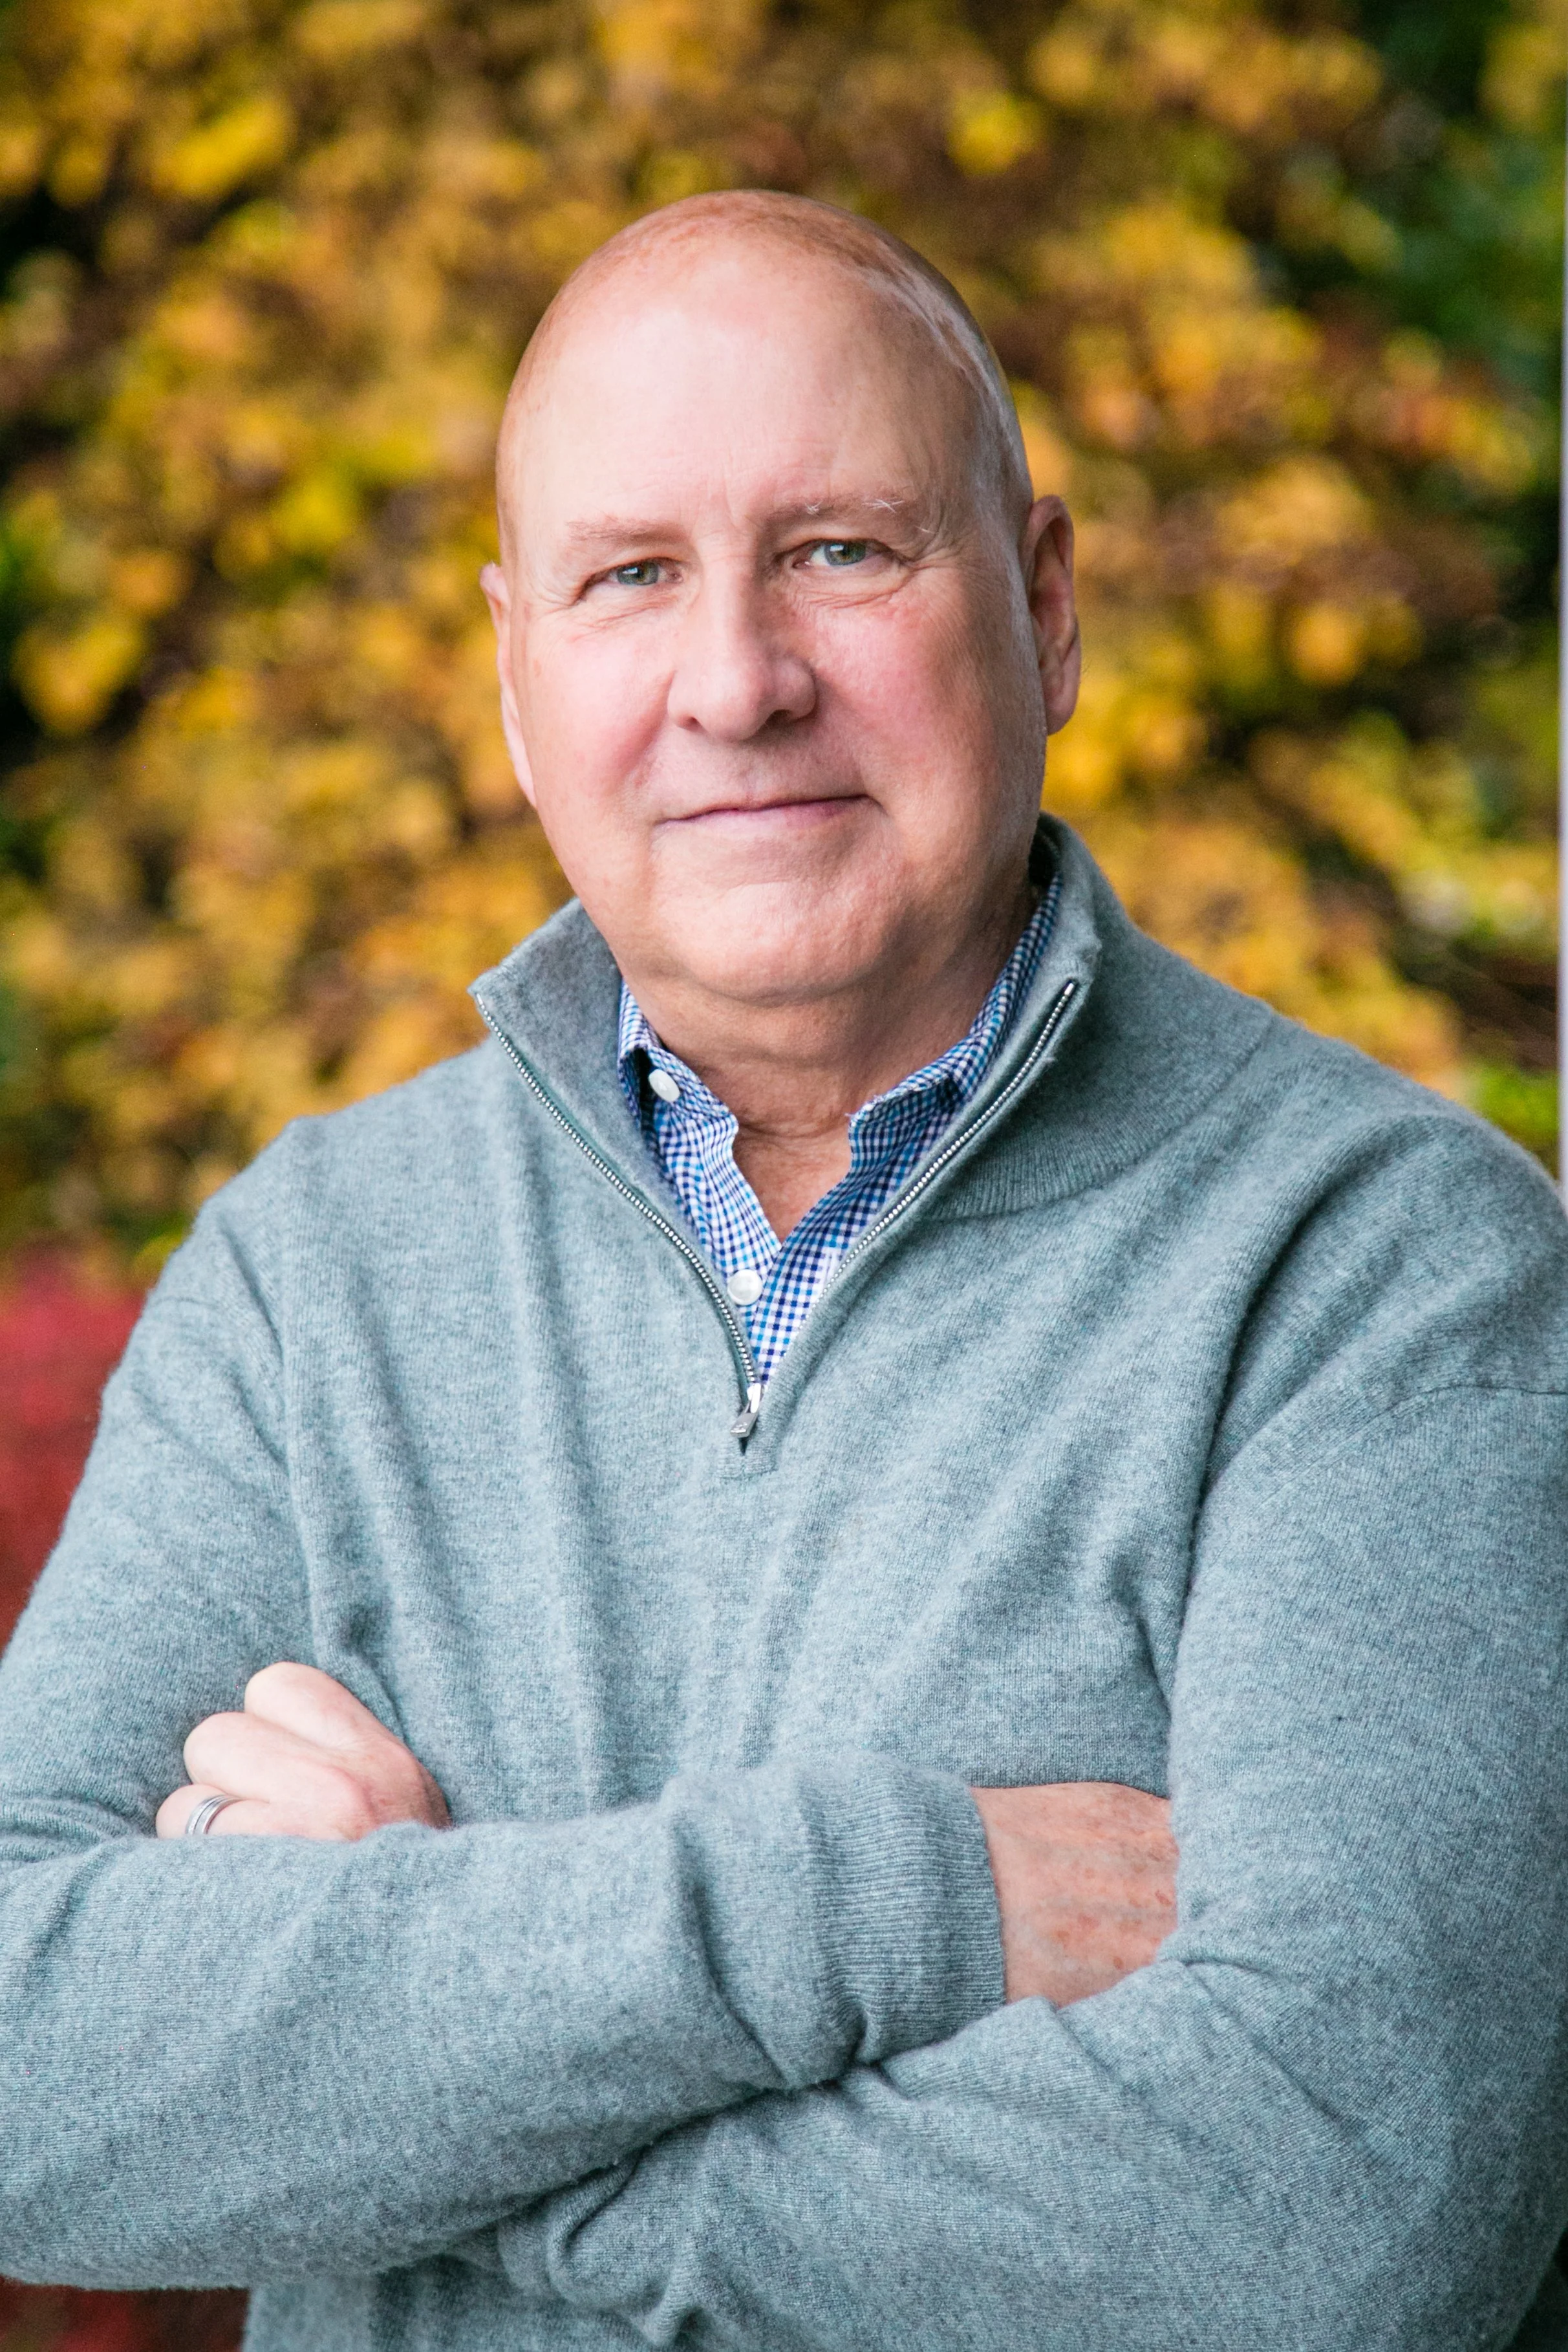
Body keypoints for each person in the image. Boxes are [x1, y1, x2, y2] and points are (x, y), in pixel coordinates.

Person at [1, 189, 1567, 2352]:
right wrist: (902, 1903)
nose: (736, 682)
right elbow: (28, 2060)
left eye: (839, 549)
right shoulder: (312, 1273)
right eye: (631, 575)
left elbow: (1332, 2221)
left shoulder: (1383, 1273)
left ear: (1045, 606)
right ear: (515, 677)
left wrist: (410, 2057)